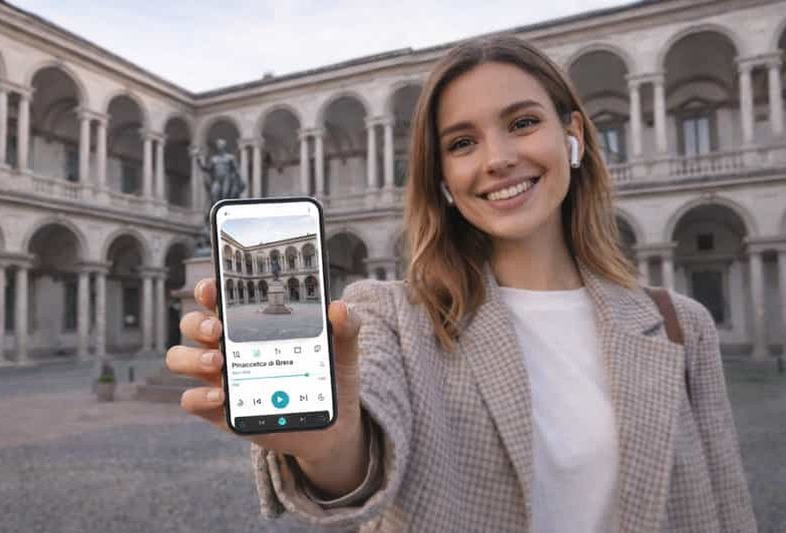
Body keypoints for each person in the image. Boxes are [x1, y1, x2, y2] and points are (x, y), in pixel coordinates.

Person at [166, 36, 756, 532]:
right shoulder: (390, 316)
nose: (497, 159)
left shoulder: (681, 325)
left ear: (572, 134)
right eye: (462, 143)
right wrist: (327, 447)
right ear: (442, 177)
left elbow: (728, 506)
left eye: (522, 123)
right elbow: (365, 455)